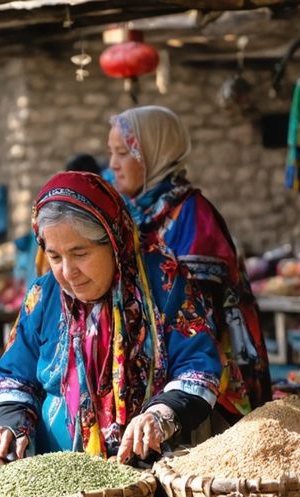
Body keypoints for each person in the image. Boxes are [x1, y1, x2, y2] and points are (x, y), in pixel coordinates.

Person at [0, 171, 222, 464]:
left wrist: (161, 415)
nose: (68, 272)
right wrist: (8, 424)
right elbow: (16, 376)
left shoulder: (164, 285)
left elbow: (198, 368)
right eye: (55, 257)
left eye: (79, 253)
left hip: (151, 469)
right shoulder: (43, 296)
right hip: (57, 477)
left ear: (113, 241)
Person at [108, 105, 271, 423]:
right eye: (111, 152)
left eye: (123, 152)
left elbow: (196, 314)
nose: (113, 164)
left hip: (198, 379)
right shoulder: (129, 214)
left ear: (155, 154)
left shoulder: (192, 215)